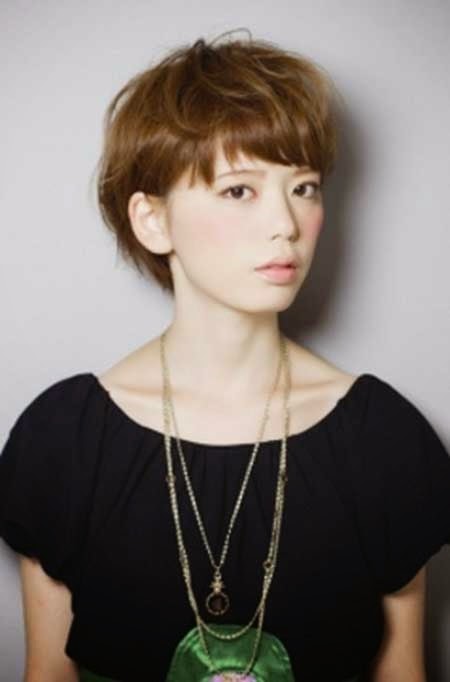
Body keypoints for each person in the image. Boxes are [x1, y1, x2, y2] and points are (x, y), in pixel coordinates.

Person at [1, 28, 449, 682]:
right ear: (152, 220)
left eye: (304, 187)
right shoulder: (64, 441)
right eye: (240, 190)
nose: (286, 225)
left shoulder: (383, 440)